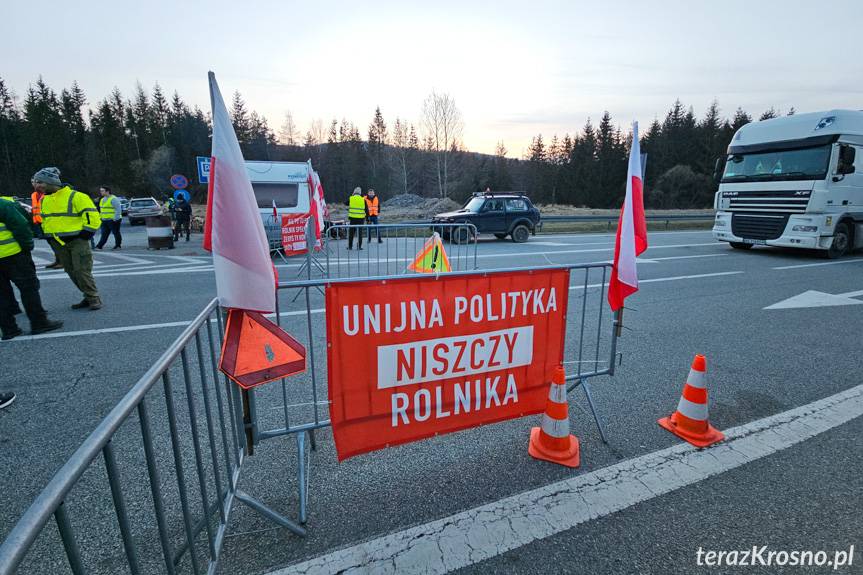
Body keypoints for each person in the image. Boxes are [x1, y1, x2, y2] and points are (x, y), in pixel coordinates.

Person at [33, 167, 103, 310]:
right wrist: (47, 236)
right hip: (58, 243)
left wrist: (86, 234)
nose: (37, 185)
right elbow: (47, 220)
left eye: (40, 182)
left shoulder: (77, 196)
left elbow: (93, 216)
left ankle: (94, 298)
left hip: (77, 241)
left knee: (81, 270)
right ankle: (87, 296)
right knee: (71, 271)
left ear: (50, 182)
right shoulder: (45, 199)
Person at [0, 195, 63, 340]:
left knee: (1, 294)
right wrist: (27, 246)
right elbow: (21, 226)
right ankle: (39, 323)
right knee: (29, 289)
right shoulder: (4, 205)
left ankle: (9, 329)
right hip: (14, 255)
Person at [31, 183, 61, 269]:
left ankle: (61, 261)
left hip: (49, 221)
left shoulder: (49, 194)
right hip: (40, 221)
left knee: (56, 242)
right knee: (51, 243)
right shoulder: (34, 195)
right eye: (33, 182)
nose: (34, 184)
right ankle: (58, 260)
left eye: (36, 182)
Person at [96, 185, 122, 250]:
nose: (101, 192)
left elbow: (118, 209)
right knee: (104, 233)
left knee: (116, 233)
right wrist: (101, 218)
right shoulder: (102, 199)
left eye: (102, 191)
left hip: (113, 220)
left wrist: (115, 219)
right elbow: (101, 210)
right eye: (100, 191)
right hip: (104, 220)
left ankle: (118, 246)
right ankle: (99, 246)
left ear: (107, 191)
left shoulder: (114, 199)